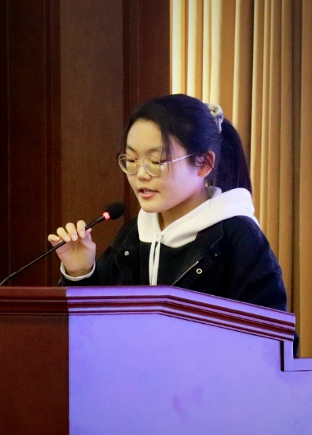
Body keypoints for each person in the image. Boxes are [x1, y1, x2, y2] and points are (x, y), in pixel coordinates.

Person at [48, 94, 298, 356]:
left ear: (204, 163)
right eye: (131, 160)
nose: (140, 174)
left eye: (156, 162)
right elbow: (87, 335)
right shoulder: (134, 235)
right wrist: (80, 272)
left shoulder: (237, 237)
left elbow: (276, 347)